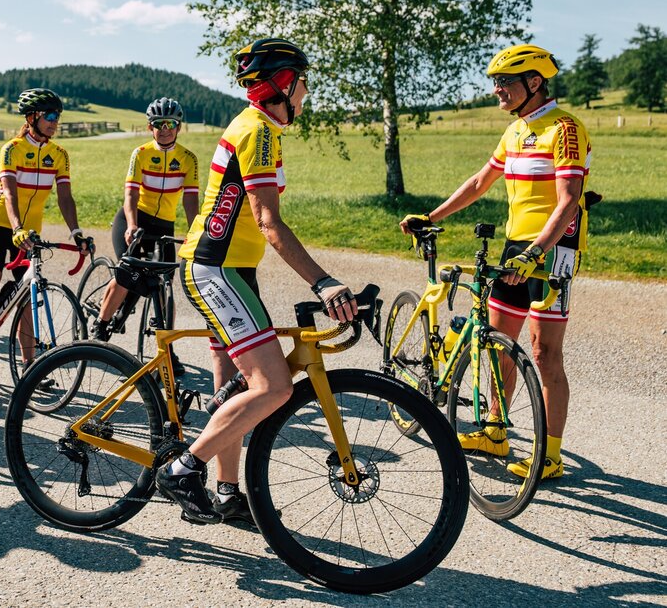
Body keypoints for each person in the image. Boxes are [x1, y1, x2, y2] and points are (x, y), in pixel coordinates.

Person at [155, 38, 357, 525]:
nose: (306, 95)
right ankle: (183, 470)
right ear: (285, 85)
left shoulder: (258, 128)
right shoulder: (259, 131)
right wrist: (323, 282)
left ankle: (226, 491)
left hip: (230, 269)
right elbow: (269, 221)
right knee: (274, 387)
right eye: (303, 84)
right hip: (216, 269)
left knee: (241, 386)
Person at [400, 44, 591, 481]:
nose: (496, 90)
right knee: (496, 344)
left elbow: (568, 203)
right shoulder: (515, 131)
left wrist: (537, 252)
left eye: (504, 82)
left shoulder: (564, 130)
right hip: (515, 245)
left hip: (552, 252)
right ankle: (493, 430)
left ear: (535, 82)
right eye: (495, 83)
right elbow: (479, 182)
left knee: (544, 354)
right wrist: (431, 216)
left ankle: (551, 456)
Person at [0, 88, 93, 377]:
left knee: (27, 293)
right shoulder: (11, 148)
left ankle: (30, 366)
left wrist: (77, 233)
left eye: (57, 116)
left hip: (28, 232)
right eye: (49, 115)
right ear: (32, 117)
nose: (54, 121)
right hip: (1, 224)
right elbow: (9, 195)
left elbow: (65, 198)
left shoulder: (59, 154)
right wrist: (17, 228)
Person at [89, 97, 200, 367]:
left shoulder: (188, 159)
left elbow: (190, 200)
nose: (165, 129)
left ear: (178, 127)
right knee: (127, 274)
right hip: (135, 219)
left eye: (170, 124)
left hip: (164, 226)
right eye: (159, 124)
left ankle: (168, 352)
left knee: (165, 287)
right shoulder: (140, 153)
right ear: (150, 127)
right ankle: (101, 326)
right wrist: (131, 224)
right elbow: (131, 193)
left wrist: (195, 231)